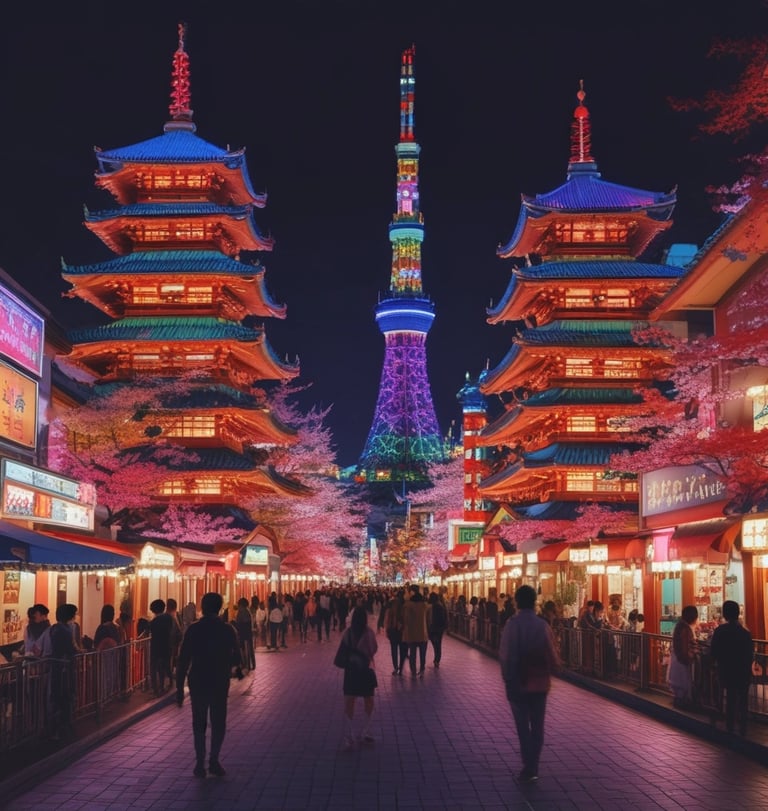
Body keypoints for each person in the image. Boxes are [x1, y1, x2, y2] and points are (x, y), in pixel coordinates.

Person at [499, 585, 560, 784]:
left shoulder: (512, 625)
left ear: (517, 601)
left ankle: (528, 763)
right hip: (540, 683)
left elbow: (506, 655)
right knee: (538, 725)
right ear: (535, 601)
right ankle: (534, 764)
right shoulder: (542, 625)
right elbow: (552, 655)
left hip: (518, 681)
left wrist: (508, 679)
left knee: (522, 725)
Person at [176, 592, 241, 778]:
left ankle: (199, 762)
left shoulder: (193, 629)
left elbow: (183, 660)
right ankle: (214, 760)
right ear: (220, 608)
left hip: (197, 679)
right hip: (219, 680)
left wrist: (180, 688)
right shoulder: (227, 629)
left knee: (199, 722)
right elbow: (237, 656)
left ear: (202, 607)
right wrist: (230, 666)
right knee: (218, 721)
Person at [337, 605, 378, 751]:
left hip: (351, 671)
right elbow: (374, 648)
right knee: (369, 699)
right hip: (365, 670)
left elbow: (342, 650)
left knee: (350, 701)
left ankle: (349, 735)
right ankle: (365, 730)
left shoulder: (348, 633)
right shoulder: (369, 633)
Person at [710, 600, 754, 735]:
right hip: (743, 670)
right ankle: (743, 725)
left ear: (725, 614)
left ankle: (730, 725)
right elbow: (749, 654)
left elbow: (714, 652)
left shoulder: (720, 631)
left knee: (730, 697)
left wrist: (716, 665)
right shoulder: (745, 633)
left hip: (727, 669)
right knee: (743, 698)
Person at [47, 603, 80, 740]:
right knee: (65, 697)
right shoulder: (65, 630)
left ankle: (57, 728)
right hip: (64, 669)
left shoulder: (54, 629)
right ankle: (62, 728)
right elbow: (70, 649)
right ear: (70, 615)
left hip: (56, 667)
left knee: (57, 697)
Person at [668, 605, 699, 708]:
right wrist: (690, 657)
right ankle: (683, 703)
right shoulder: (685, 629)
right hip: (682, 660)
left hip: (677, 658)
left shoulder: (680, 626)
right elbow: (685, 646)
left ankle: (679, 701)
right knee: (683, 683)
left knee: (679, 684)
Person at [401, 584, 428, 677]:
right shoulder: (424, 605)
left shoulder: (408, 605)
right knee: (422, 654)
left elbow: (406, 619)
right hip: (423, 633)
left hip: (412, 633)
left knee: (412, 654)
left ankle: (413, 671)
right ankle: (422, 670)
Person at [149, 598, 174, 696]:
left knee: (154, 668)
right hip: (166, 646)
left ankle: (156, 689)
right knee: (164, 667)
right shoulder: (168, 618)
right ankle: (165, 685)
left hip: (156, 647)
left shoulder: (154, 621)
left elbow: (150, 629)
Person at [234, 597, 255, 670]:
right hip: (248, 632)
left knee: (242, 648)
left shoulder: (241, 612)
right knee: (250, 648)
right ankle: (252, 664)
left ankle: (245, 664)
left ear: (241, 605)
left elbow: (239, 622)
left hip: (242, 632)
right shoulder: (247, 611)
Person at [427, 592, 447, 668]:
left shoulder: (436, 606)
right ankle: (436, 660)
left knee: (436, 645)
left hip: (435, 628)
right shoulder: (440, 605)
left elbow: (436, 618)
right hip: (439, 628)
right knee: (437, 645)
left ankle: (437, 660)